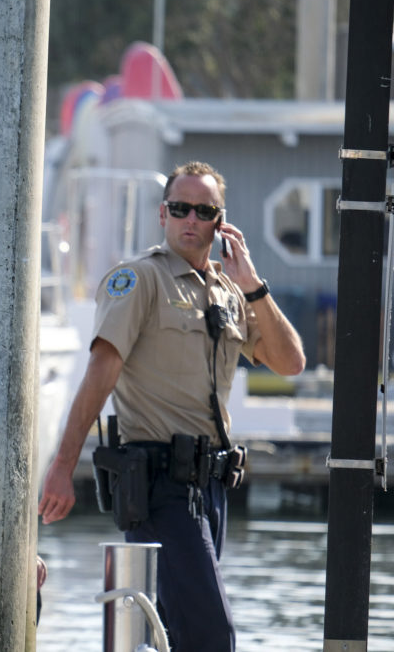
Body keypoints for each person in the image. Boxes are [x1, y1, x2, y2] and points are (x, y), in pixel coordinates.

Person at [38, 161, 305, 651]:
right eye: (180, 208)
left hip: (213, 488)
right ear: (163, 213)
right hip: (159, 485)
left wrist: (254, 285)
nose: (190, 219)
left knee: (177, 635)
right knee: (210, 636)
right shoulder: (140, 280)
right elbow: (100, 373)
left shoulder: (228, 292)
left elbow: (290, 362)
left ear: (220, 223)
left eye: (203, 211)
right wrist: (61, 465)